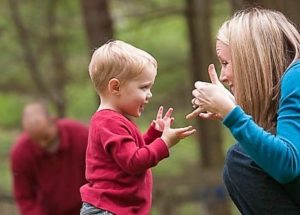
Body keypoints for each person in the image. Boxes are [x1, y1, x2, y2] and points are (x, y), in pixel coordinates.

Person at [187, 8, 300, 214]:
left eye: (225, 63)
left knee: (242, 159)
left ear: (250, 57)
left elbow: (288, 165)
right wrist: (234, 109)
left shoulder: (296, 76)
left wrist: (233, 115)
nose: (223, 76)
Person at [80, 40, 196, 215]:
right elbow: (134, 162)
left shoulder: (113, 120)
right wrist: (164, 143)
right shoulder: (108, 122)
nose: (149, 94)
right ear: (115, 87)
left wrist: (154, 134)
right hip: (107, 210)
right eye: (144, 87)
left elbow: (129, 151)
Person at [10, 102, 89, 215]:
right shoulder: (20, 153)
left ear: (53, 120)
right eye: (36, 139)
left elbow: (100, 175)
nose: (42, 144)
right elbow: (25, 198)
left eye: (46, 137)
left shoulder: (80, 135)